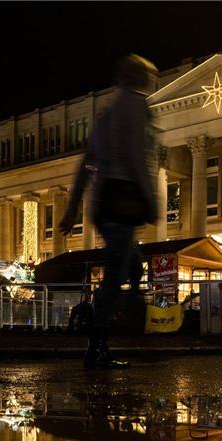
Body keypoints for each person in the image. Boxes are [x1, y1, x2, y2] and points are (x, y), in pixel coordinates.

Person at [59, 54, 158, 368]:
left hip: (102, 202)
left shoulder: (106, 114)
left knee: (132, 264)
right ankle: (97, 345)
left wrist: (73, 207)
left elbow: (84, 165)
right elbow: (135, 158)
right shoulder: (136, 107)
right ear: (140, 78)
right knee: (117, 272)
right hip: (122, 197)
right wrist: (150, 198)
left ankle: (115, 314)